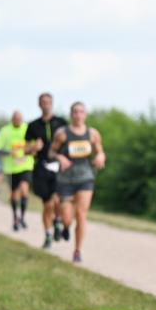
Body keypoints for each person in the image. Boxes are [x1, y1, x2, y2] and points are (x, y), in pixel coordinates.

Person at [50, 101, 106, 263]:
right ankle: (64, 225)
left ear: (85, 114)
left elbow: (100, 150)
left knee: (81, 213)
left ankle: (77, 250)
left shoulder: (92, 134)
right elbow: (51, 151)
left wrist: (101, 156)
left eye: (81, 111)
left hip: (85, 177)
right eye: (75, 112)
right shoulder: (62, 134)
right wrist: (60, 157)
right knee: (68, 217)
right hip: (66, 179)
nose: (78, 114)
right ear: (71, 114)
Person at [25, 93, 68, 249]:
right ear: (39, 104)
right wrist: (33, 148)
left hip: (59, 166)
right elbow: (25, 150)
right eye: (43, 102)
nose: (46, 104)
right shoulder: (33, 126)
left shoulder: (61, 122)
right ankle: (48, 235)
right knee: (47, 204)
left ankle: (57, 221)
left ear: (52, 104)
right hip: (42, 167)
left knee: (58, 200)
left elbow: (70, 142)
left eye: (48, 102)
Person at [0, 111, 33, 230]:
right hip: (11, 168)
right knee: (14, 195)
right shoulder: (5, 131)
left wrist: (30, 149)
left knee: (25, 190)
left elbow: (35, 144)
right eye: (15, 119)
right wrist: (8, 152)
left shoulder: (28, 129)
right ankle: (15, 218)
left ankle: (23, 217)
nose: (18, 121)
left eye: (20, 119)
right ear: (12, 119)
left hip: (26, 166)